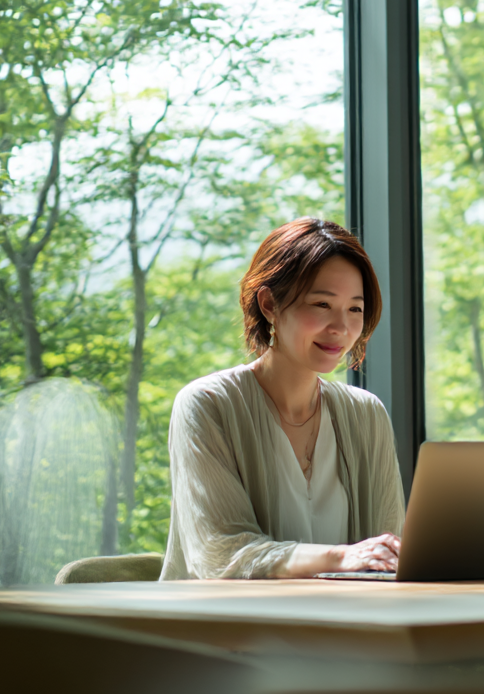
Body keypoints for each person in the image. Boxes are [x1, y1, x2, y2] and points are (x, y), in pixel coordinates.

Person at [160, 218, 404, 579]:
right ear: (270, 303)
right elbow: (221, 552)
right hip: (222, 630)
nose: (341, 328)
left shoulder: (366, 414)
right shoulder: (207, 404)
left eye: (355, 309)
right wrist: (339, 558)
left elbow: (386, 550)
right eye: (322, 304)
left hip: (345, 626)